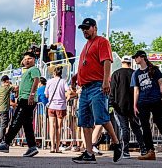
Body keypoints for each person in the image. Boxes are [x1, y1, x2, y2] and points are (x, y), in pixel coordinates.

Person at [71, 17, 123, 164]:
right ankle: (89, 152)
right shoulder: (86, 45)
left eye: (87, 28)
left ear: (94, 27)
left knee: (101, 117)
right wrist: (76, 77)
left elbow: (107, 60)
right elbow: (86, 66)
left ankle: (116, 143)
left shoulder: (102, 41)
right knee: (84, 121)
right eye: (82, 29)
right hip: (85, 88)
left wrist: (106, 81)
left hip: (97, 86)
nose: (84, 31)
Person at [0, 51, 40, 157]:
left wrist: (31, 94)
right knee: (27, 124)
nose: (27, 60)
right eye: (25, 59)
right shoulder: (26, 71)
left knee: (16, 121)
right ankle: (32, 147)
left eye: (30, 58)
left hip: (27, 100)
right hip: (24, 99)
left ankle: (6, 143)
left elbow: (36, 80)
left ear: (34, 60)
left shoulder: (34, 69)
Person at [131, 50, 162, 160]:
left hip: (156, 100)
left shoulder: (154, 69)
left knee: (160, 124)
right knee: (145, 126)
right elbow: (136, 90)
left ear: (142, 57)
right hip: (142, 102)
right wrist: (134, 105)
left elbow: (160, 83)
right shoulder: (136, 73)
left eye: (136, 57)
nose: (135, 59)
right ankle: (150, 151)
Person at [110, 55, 146, 159]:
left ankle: (126, 151)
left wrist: (112, 103)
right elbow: (140, 89)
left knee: (124, 128)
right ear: (130, 63)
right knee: (136, 127)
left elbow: (112, 90)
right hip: (134, 105)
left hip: (119, 105)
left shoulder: (116, 74)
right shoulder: (135, 73)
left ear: (122, 62)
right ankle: (143, 149)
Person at [45, 67, 69, 153]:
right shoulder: (63, 81)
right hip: (61, 107)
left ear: (54, 73)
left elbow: (46, 94)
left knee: (52, 126)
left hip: (51, 106)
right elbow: (68, 91)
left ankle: (52, 146)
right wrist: (66, 98)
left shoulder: (49, 81)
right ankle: (58, 148)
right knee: (59, 127)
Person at [0, 75, 15, 147]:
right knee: (3, 126)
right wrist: (9, 84)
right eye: (8, 81)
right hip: (4, 110)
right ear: (6, 81)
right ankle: (1, 141)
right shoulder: (7, 87)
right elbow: (16, 87)